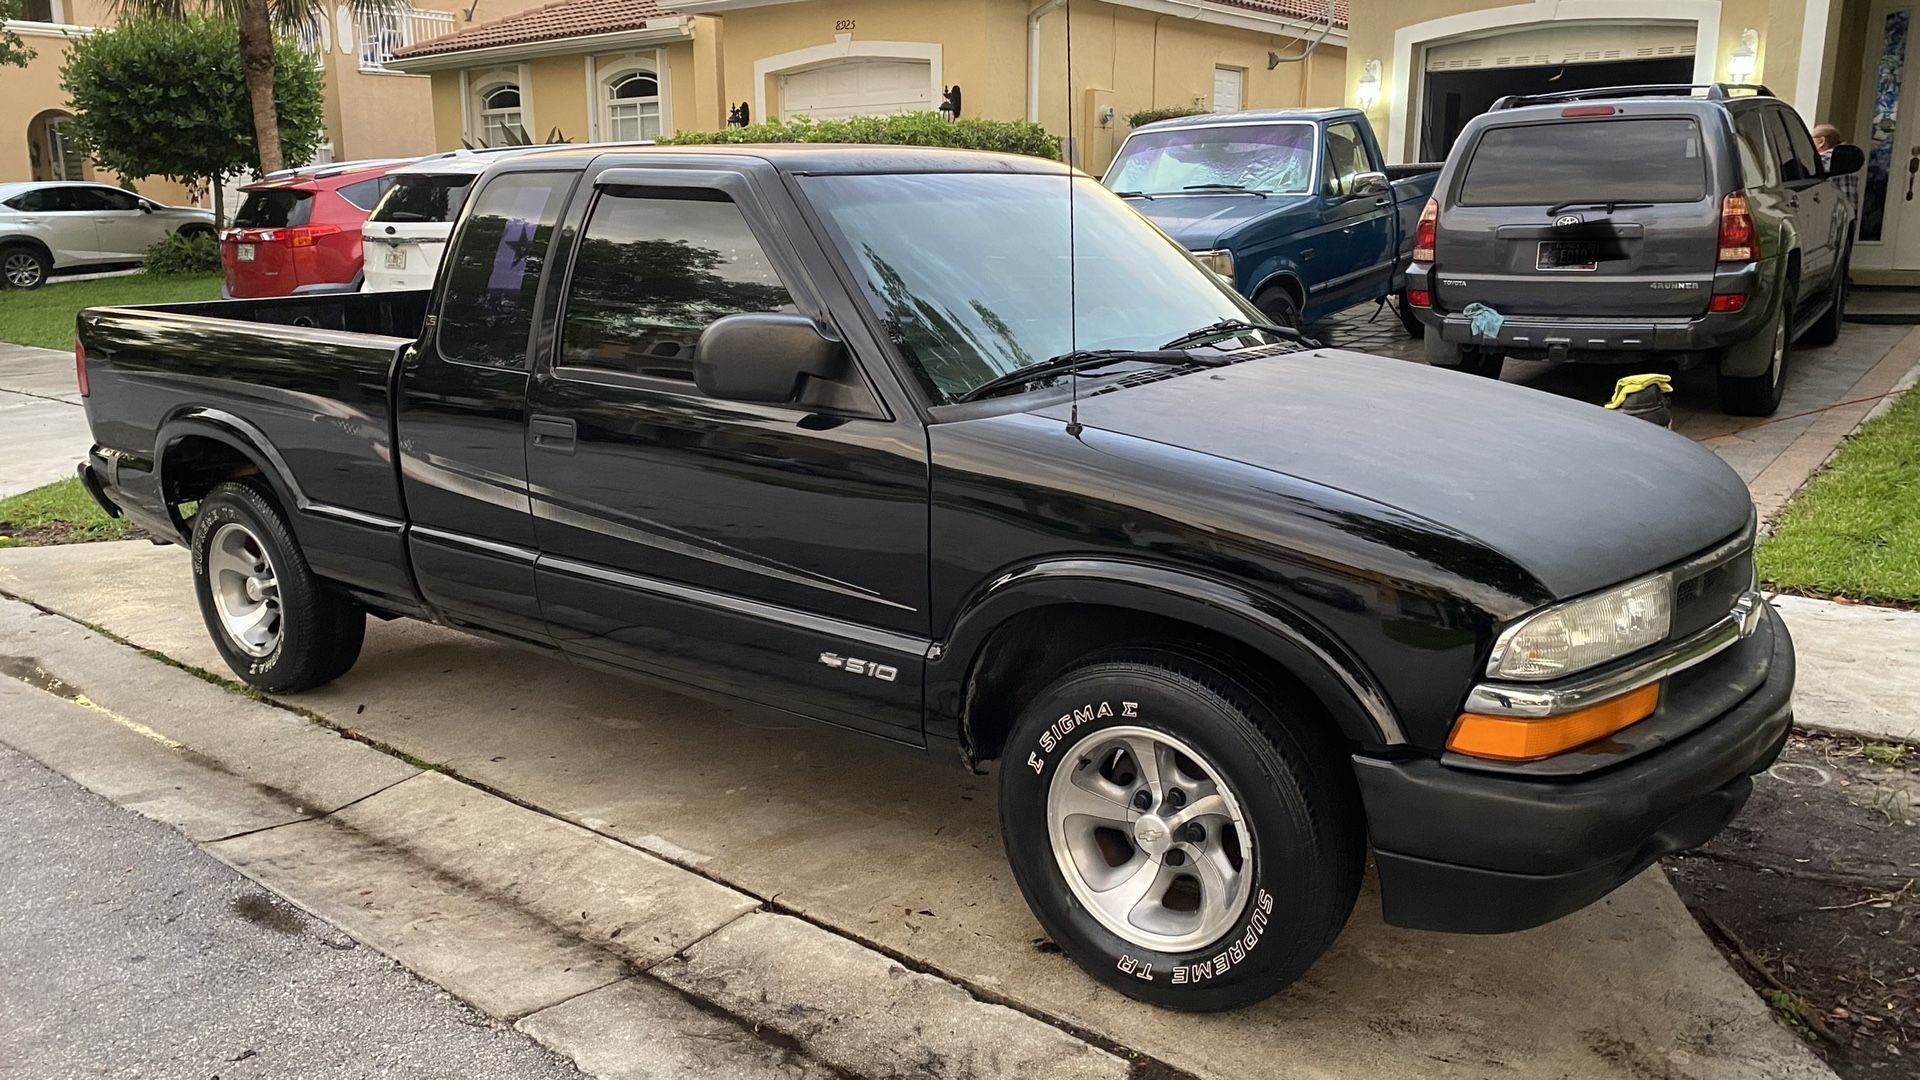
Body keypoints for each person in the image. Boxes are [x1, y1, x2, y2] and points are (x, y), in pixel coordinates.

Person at [1813, 122, 1860, 219]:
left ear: (1821, 141)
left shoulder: (1826, 159)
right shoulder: (1846, 159)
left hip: (1830, 216)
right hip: (1847, 216)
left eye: (1811, 138)